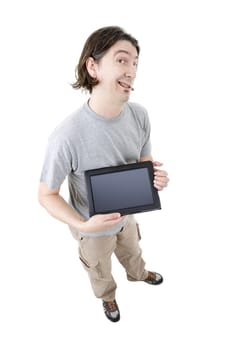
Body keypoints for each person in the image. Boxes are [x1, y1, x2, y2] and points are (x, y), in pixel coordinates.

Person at [38, 26, 169, 323]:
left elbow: (144, 162)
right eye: (122, 60)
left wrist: (155, 179)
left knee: (133, 251)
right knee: (100, 270)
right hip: (93, 230)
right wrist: (83, 223)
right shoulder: (66, 136)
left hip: (127, 217)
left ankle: (139, 274)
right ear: (93, 67)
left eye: (135, 62)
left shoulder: (140, 115)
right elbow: (46, 194)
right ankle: (108, 298)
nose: (132, 70)